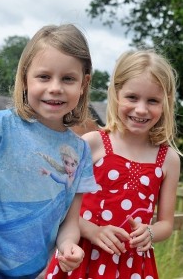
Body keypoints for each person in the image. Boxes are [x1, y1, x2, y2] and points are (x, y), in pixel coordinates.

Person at [0, 24, 98, 278]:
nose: (55, 87)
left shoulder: (81, 152)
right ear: (24, 78)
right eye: (44, 77)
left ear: (84, 84)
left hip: (33, 272)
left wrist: (68, 245)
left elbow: (70, 222)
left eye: (68, 78)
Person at [46, 49, 182, 278]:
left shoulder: (168, 159)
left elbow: (166, 224)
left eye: (152, 101)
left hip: (133, 264)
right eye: (132, 97)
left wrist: (149, 232)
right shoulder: (91, 145)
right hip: (84, 257)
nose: (141, 109)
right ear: (116, 94)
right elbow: (57, 205)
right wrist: (92, 231)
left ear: (166, 103)